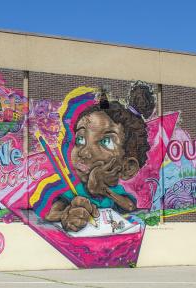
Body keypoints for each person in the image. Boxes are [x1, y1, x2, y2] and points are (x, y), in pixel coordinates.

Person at [45, 83, 155, 232]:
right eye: (80, 139)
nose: (83, 152)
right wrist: (67, 214)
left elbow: (130, 206)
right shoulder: (74, 190)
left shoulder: (116, 191)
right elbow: (50, 215)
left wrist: (103, 190)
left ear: (128, 167)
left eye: (106, 142)